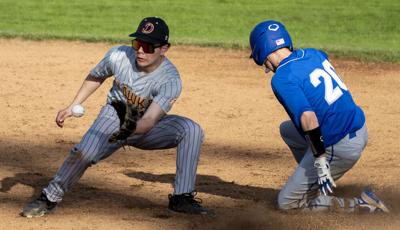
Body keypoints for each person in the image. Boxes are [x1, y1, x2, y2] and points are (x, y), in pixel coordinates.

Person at [22, 16, 214, 218]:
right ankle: (49, 197)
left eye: (148, 46)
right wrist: (73, 105)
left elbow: (149, 121)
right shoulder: (119, 56)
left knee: (191, 130)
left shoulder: (170, 80)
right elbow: (97, 75)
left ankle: (182, 197)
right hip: (113, 115)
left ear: (164, 48)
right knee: (84, 153)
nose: (140, 50)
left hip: (145, 127)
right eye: (138, 43)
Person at [249, 20, 389, 212]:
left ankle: (362, 204)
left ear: (261, 51)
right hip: (358, 128)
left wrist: (321, 161)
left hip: (339, 145)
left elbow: (308, 117)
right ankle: (315, 185)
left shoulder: (282, 78)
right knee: (288, 130)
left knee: (288, 204)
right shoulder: (313, 54)